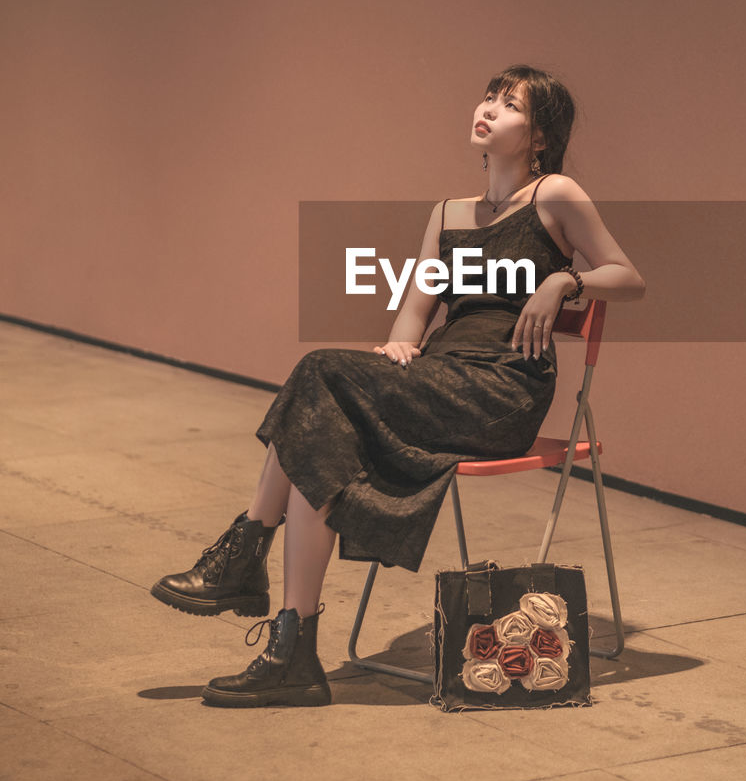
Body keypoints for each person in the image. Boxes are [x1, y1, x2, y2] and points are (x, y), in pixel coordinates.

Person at [150, 64, 646, 707]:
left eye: (509, 104)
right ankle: (291, 649)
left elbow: (628, 277)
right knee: (320, 430)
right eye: (488, 97)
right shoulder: (447, 214)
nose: (488, 110)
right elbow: (414, 312)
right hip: (441, 376)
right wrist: (398, 345)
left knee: (320, 373)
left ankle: (246, 561)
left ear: (540, 136)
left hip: (502, 390)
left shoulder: (557, 196)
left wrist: (563, 281)